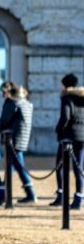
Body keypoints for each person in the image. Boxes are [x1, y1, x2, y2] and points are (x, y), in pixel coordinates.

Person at [0, 81, 35, 204]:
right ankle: (5, 192)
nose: (2, 95)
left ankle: (3, 194)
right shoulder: (24, 102)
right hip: (21, 138)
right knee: (16, 166)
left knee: (14, 167)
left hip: (13, 139)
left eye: (3, 92)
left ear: (8, 91)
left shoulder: (12, 102)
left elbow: (4, 119)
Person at [52, 73, 84, 209]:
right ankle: (78, 197)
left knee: (59, 167)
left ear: (65, 84)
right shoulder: (82, 97)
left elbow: (65, 117)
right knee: (79, 169)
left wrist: (58, 129)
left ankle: (61, 195)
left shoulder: (67, 97)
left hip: (68, 137)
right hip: (82, 136)